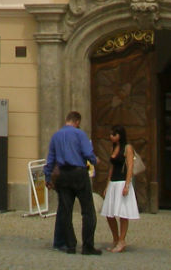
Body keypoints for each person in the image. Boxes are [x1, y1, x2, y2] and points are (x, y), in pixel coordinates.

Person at [44, 110, 101, 256]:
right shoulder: (79, 134)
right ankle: (87, 246)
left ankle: (70, 245)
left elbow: (50, 159)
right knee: (88, 211)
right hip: (78, 173)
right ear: (77, 122)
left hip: (63, 175)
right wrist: (95, 160)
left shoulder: (56, 136)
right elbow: (87, 153)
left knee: (65, 211)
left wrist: (48, 177)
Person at [100, 124, 141, 253]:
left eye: (114, 134)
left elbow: (130, 166)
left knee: (123, 213)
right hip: (113, 183)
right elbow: (111, 167)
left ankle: (122, 240)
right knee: (109, 213)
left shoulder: (127, 148)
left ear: (120, 135)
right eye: (111, 134)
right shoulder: (113, 147)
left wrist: (127, 185)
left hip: (122, 182)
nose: (111, 136)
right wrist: (107, 184)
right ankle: (116, 238)